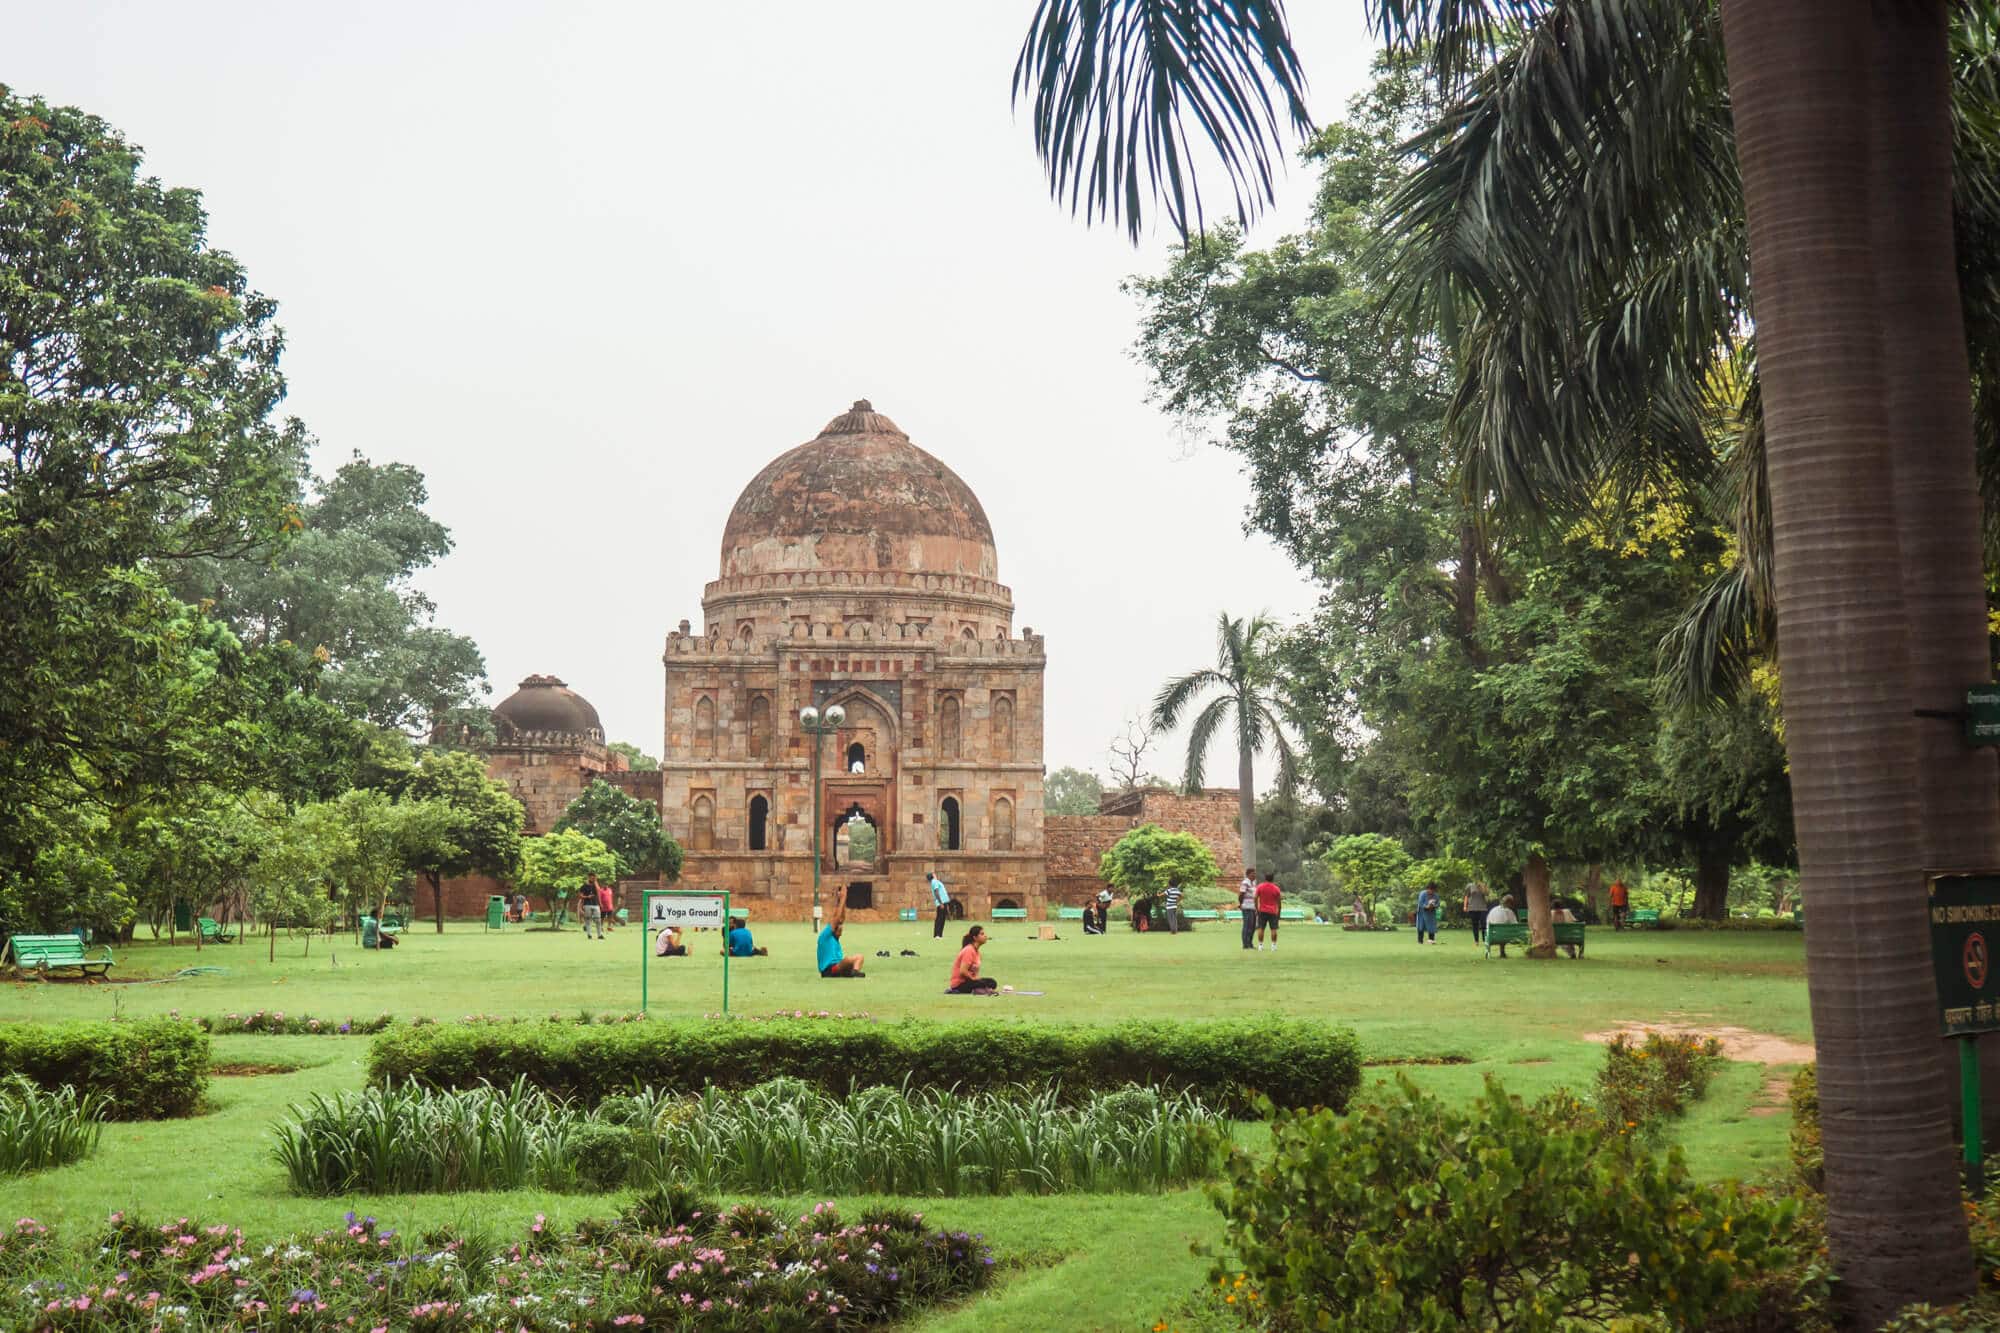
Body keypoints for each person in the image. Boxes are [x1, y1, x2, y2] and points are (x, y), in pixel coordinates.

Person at [817, 892, 864, 978]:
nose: (841, 930)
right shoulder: (825, 936)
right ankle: (850, 972)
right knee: (847, 960)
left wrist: (844, 900)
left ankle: (855, 972)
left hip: (838, 967)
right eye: (839, 929)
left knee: (860, 957)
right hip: (829, 970)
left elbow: (841, 918)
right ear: (834, 929)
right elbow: (837, 918)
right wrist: (842, 898)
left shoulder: (835, 940)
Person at [948, 925, 998, 993]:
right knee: (987, 983)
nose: (985, 936)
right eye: (982, 934)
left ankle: (980, 989)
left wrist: (977, 979)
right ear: (975, 938)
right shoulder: (969, 950)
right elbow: (963, 971)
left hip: (969, 981)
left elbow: (974, 972)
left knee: (992, 982)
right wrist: (974, 979)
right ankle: (977, 990)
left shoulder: (976, 952)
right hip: (960, 984)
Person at [1254, 874, 1282, 950]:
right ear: (1273, 879)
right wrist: (1279, 912)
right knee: (1273, 929)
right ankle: (1273, 946)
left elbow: (1255, 897)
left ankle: (1260, 945)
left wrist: (1256, 908)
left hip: (1262, 910)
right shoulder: (1276, 888)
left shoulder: (1260, 887)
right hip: (1273, 911)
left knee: (1261, 928)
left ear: (1265, 878)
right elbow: (1279, 902)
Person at [578, 874, 604, 941]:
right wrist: (587, 897)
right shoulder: (584, 886)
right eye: (592, 878)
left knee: (598, 920)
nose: (593, 879)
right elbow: (580, 895)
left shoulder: (596, 885)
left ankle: (599, 935)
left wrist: (600, 903)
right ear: (589, 878)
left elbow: (599, 891)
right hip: (587, 904)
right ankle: (589, 934)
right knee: (588, 920)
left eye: (594, 878)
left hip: (596, 905)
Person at [1238, 871, 1259, 950]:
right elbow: (1241, 894)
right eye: (1253, 874)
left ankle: (1250, 943)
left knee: (1253, 926)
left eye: (1255, 874)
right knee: (1247, 926)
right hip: (1247, 907)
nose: (1254, 875)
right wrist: (1241, 903)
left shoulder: (1253, 883)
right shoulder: (1245, 883)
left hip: (1253, 907)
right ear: (1248, 874)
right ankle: (1245, 944)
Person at [1463, 881, 1490, 946]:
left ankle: (1484, 940)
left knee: (1484, 924)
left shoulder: (1483, 884)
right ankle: (1476, 941)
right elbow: (1466, 896)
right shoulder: (1469, 885)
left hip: (1482, 907)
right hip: (1472, 907)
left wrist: (1482, 887)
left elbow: (1487, 894)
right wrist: (1465, 906)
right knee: (1475, 925)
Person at [929, 870, 951, 939]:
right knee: (940, 918)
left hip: (943, 901)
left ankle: (939, 934)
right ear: (932, 876)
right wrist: (940, 903)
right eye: (934, 874)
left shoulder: (935, 881)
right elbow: (936, 892)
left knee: (942, 918)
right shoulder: (934, 882)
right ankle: (937, 934)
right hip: (941, 902)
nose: (935, 874)